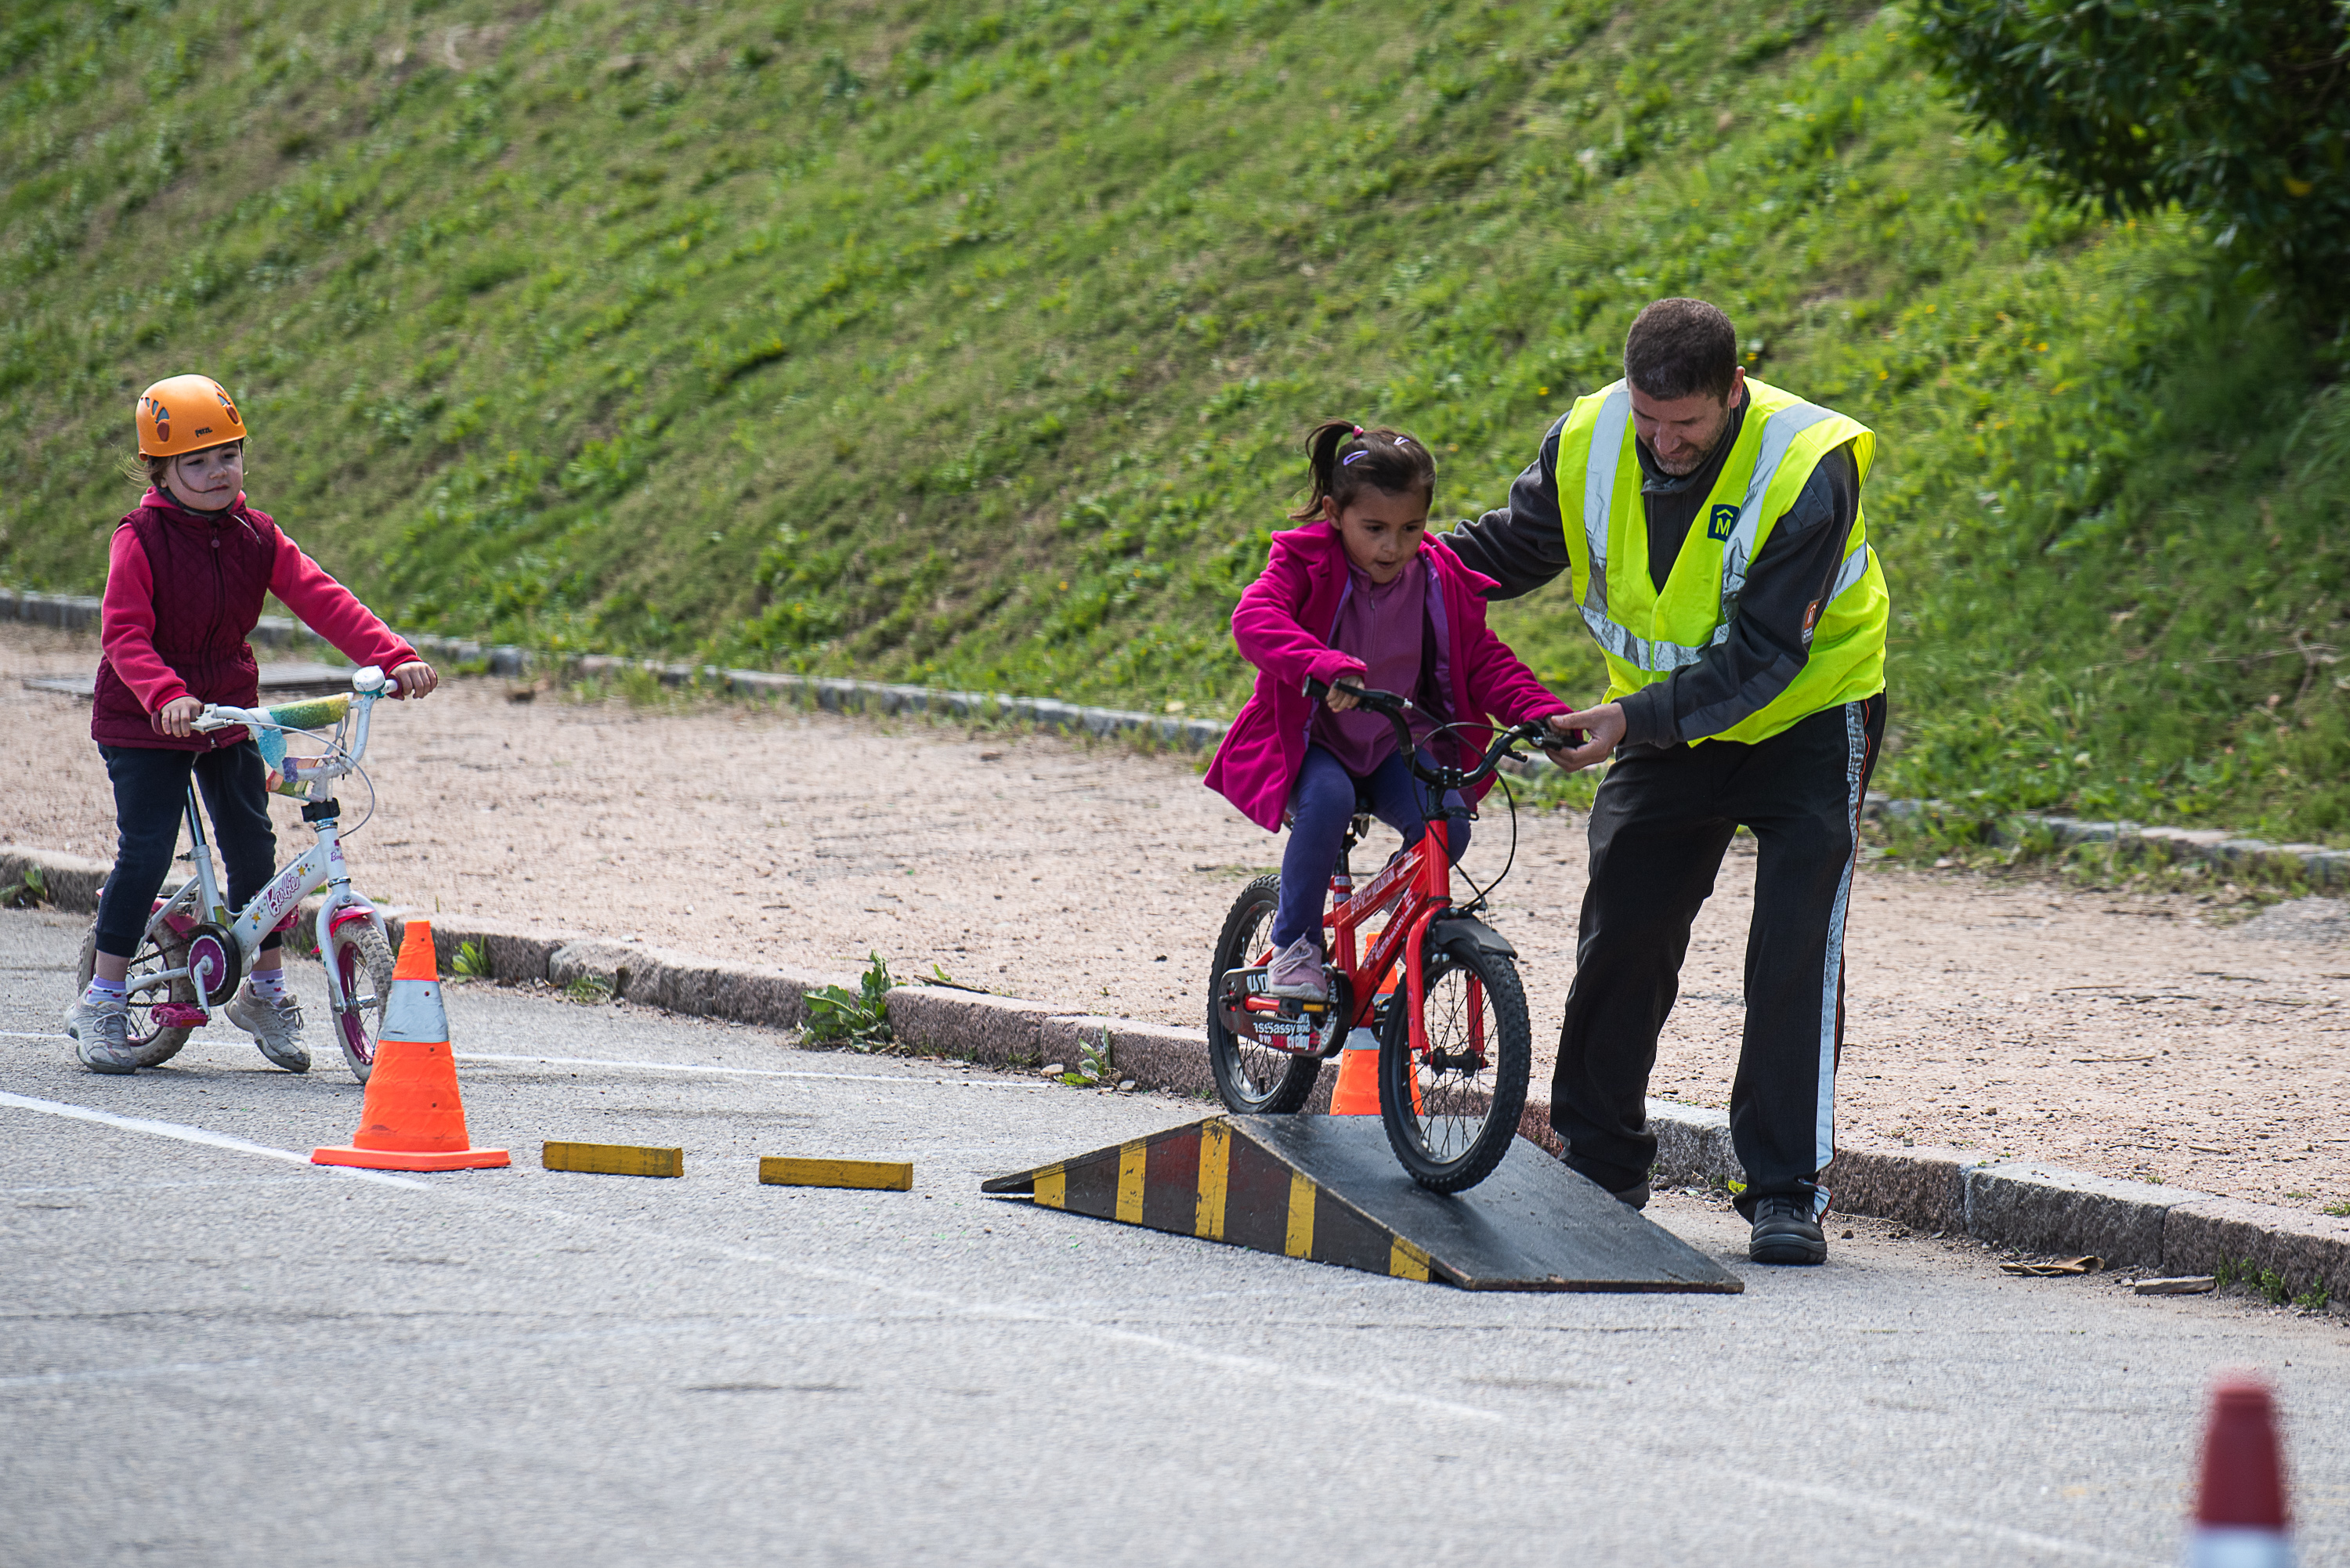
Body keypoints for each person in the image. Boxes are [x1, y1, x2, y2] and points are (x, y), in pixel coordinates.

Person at [1443, 298, 1889, 1266]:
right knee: (1624, 930)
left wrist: (1627, 721)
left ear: (1735, 390)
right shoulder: (1596, 434)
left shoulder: (1809, 464)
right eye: (1650, 419)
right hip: (1656, 725)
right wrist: (1377, 572)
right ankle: (1600, 1166)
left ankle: (1783, 1191)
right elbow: (1506, 548)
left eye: (1686, 424)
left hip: (1809, 719)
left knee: (1791, 951)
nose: (1664, 442)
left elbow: (1770, 655)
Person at [63, 374, 438, 1075]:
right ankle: (105, 995)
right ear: (162, 471)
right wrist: (165, 695)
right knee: (144, 852)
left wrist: (394, 657)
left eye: (227, 456)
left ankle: (263, 990)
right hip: (146, 719)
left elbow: (324, 600)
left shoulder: (256, 535)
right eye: (195, 463)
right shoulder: (139, 539)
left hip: (228, 713)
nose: (215, 473)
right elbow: (125, 635)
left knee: (253, 847)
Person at [1206, 421, 1574, 1000]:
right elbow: (1255, 621)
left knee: (1447, 824)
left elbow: (1482, 658)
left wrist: (1541, 713)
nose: (1392, 547)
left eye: (1412, 528)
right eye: (1373, 529)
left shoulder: (1436, 575)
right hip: (1316, 740)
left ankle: (1399, 933)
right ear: (1334, 512)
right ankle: (1296, 944)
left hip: (1395, 742)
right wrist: (1322, 664)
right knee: (1328, 800)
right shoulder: (1304, 564)